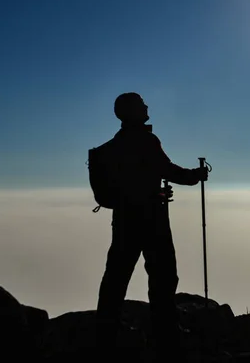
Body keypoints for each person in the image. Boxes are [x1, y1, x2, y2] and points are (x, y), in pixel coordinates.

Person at [95, 92, 208, 358]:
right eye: (142, 104)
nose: (147, 107)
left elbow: (131, 185)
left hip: (123, 220)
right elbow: (167, 170)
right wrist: (196, 176)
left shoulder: (115, 146)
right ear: (134, 111)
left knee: (116, 275)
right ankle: (167, 336)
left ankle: (105, 331)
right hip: (152, 221)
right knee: (163, 276)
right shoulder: (146, 140)